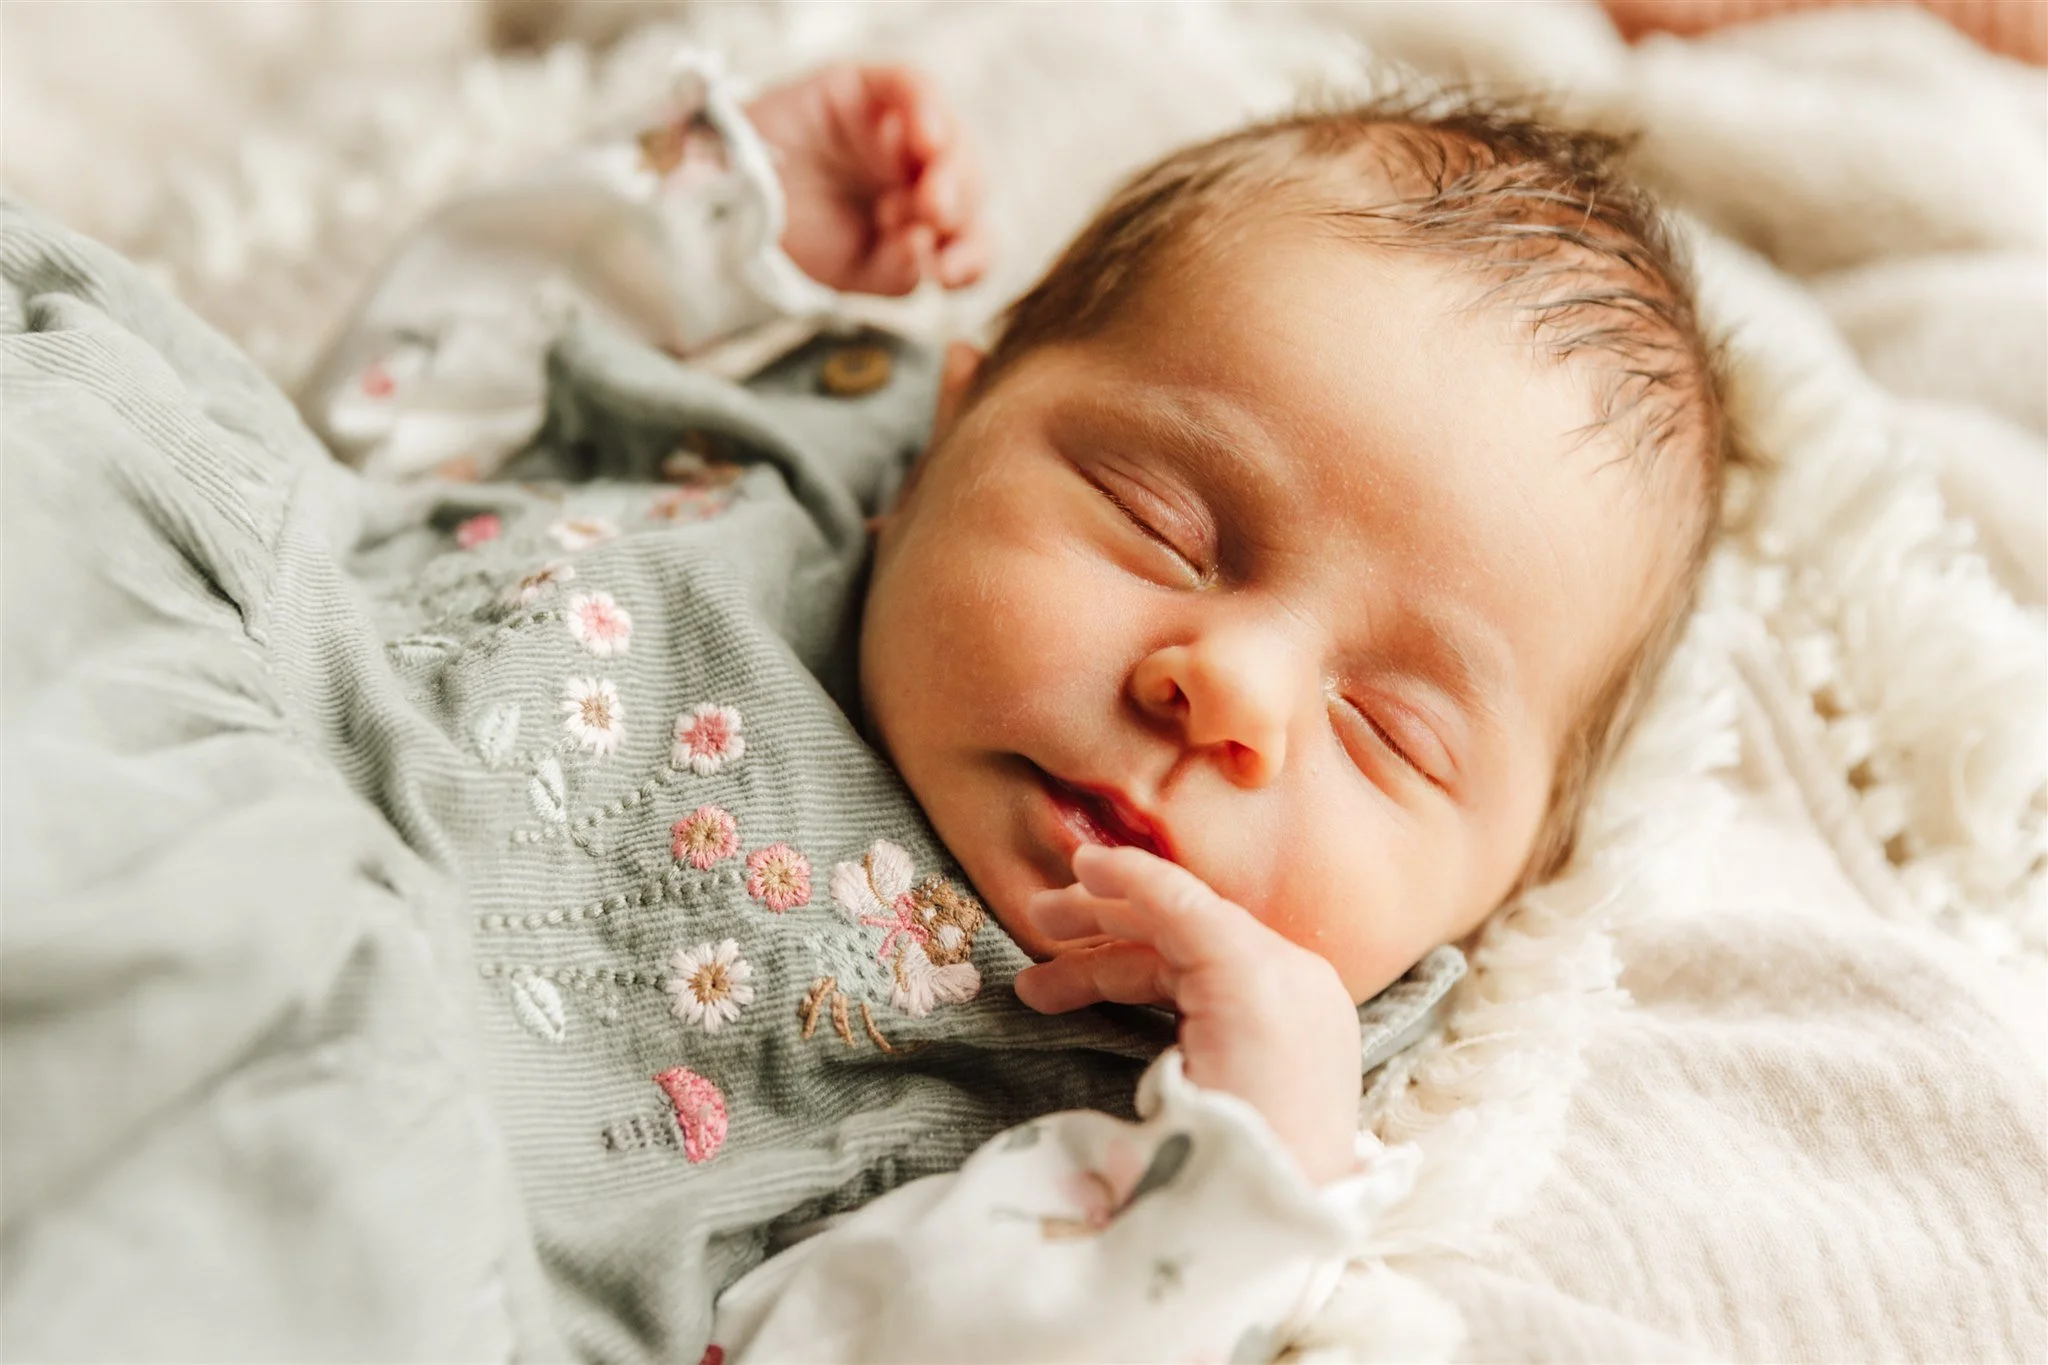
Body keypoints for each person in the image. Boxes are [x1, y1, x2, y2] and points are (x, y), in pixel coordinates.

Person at [0, 50, 1737, 1365]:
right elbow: (383, 438)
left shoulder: (1117, 1094)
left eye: (1393, 739)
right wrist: (702, 223)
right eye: (1163, 522)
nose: (1231, 692)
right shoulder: (791, 467)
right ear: (950, 432)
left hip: (339, 1149)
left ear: (1501, 885)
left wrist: (1250, 1171)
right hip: (176, 698)